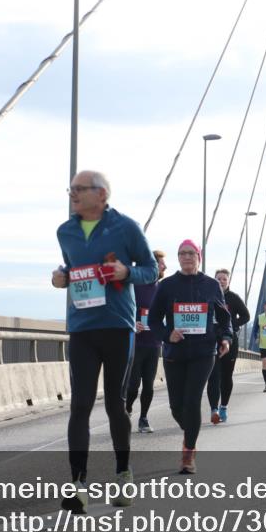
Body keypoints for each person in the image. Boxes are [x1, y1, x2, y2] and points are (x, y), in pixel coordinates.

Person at [52, 170, 158, 513]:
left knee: (115, 403)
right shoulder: (65, 231)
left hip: (117, 325)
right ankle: (78, 484)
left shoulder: (125, 227)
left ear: (101, 194)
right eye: (71, 189)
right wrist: (61, 277)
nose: (72, 194)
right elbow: (72, 269)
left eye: (79, 189)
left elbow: (150, 270)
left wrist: (128, 273)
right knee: (80, 405)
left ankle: (123, 473)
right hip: (82, 327)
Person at [148, 240, 231, 474]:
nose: (186, 257)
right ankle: (191, 432)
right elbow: (153, 320)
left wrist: (226, 338)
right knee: (177, 407)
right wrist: (167, 334)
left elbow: (225, 320)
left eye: (191, 253)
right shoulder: (166, 286)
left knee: (192, 400)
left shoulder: (211, 285)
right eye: (182, 253)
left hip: (204, 352)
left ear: (199, 257)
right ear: (178, 258)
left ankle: (188, 452)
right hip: (175, 353)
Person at [126, 249, 167, 433]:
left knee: (149, 385)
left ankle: (143, 418)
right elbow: (124, 308)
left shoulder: (162, 289)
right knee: (133, 385)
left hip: (154, 343)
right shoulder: (135, 286)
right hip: (137, 343)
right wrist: (133, 322)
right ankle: (126, 411)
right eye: (161, 263)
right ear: (151, 265)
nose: (165, 266)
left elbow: (168, 314)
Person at [205, 269, 250, 424]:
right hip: (211, 340)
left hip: (230, 341)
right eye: (218, 278)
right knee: (213, 376)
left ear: (228, 281)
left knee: (226, 376)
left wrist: (231, 324)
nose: (221, 281)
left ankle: (223, 406)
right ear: (214, 280)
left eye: (224, 279)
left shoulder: (234, 298)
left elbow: (246, 316)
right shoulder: (208, 295)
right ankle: (214, 410)